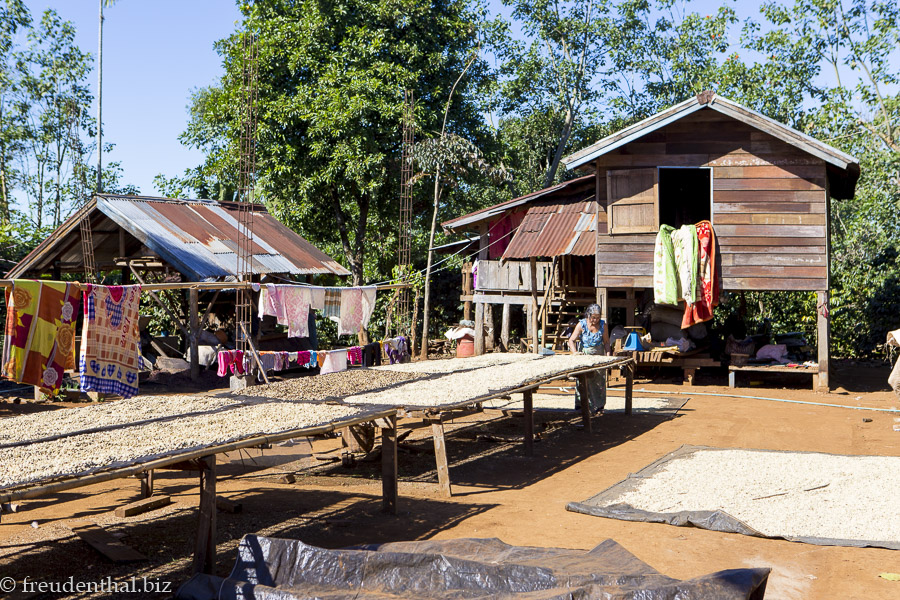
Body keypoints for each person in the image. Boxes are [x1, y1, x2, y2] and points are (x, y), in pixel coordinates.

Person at [567, 304, 610, 414]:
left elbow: (606, 342)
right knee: (583, 380)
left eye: (598, 317)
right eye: (593, 317)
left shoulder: (602, 325)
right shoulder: (581, 325)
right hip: (585, 357)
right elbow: (571, 340)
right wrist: (575, 353)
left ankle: (599, 406)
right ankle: (581, 406)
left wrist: (608, 356)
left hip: (598, 357)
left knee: (599, 381)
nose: (595, 320)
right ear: (588, 315)